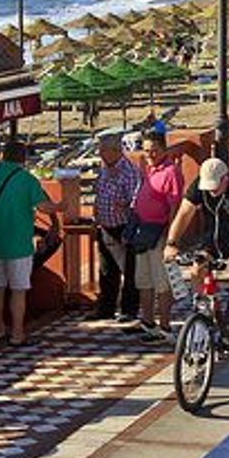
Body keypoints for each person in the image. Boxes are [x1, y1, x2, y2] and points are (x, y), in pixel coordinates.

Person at [164, 157, 229, 362]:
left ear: (226, 178)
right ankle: (202, 315)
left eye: (215, 186)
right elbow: (184, 213)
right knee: (198, 267)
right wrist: (171, 242)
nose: (211, 191)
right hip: (216, 236)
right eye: (208, 187)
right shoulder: (200, 185)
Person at [0, 137, 62, 346]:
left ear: (2, 156)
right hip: (19, 245)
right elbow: (43, 207)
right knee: (19, 290)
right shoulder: (27, 180)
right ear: (24, 159)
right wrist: (61, 206)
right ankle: (18, 333)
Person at [127, 128, 184, 345]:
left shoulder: (171, 172)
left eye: (154, 150)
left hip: (159, 233)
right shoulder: (148, 169)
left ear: (164, 149)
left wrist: (172, 239)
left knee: (162, 283)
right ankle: (148, 322)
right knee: (144, 280)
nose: (150, 154)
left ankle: (166, 327)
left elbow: (175, 206)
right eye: (146, 150)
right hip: (143, 232)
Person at [90, 132, 141, 323]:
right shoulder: (105, 169)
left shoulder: (129, 172)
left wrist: (125, 206)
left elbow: (135, 201)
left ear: (115, 151)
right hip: (105, 226)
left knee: (129, 271)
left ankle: (129, 309)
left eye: (103, 151)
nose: (101, 154)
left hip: (123, 227)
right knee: (106, 270)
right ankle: (106, 308)